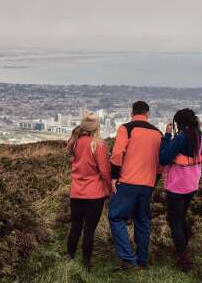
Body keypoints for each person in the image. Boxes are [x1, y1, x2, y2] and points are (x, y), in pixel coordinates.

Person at [108, 101, 163, 269]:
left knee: (116, 217)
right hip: (147, 184)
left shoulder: (126, 128)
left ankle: (128, 259)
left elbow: (117, 154)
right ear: (148, 113)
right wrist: (154, 181)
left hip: (127, 182)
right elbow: (161, 163)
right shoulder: (158, 133)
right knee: (142, 221)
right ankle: (142, 261)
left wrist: (114, 176)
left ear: (131, 112)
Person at [159, 108, 202, 272]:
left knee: (175, 222)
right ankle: (184, 251)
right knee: (181, 218)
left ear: (179, 123)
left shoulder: (180, 138)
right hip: (192, 185)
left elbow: (164, 158)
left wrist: (167, 136)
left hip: (176, 187)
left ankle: (184, 260)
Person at [66, 112, 111, 271]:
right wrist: (110, 188)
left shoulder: (74, 142)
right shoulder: (98, 144)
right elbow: (105, 171)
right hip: (95, 194)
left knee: (75, 226)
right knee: (89, 229)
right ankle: (86, 263)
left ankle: (69, 257)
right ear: (97, 127)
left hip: (76, 192)